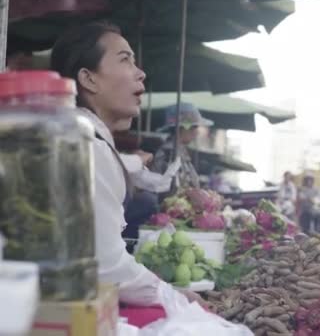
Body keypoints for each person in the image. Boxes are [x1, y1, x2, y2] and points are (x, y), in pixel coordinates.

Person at [50, 22, 206, 308]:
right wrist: (173, 295)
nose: (141, 72)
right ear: (89, 79)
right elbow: (108, 268)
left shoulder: (79, 137)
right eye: (125, 59)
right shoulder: (88, 147)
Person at [151, 103, 213, 191]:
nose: (196, 132)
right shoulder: (169, 153)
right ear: (182, 128)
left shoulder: (179, 150)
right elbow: (171, 188)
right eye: (194, 127)